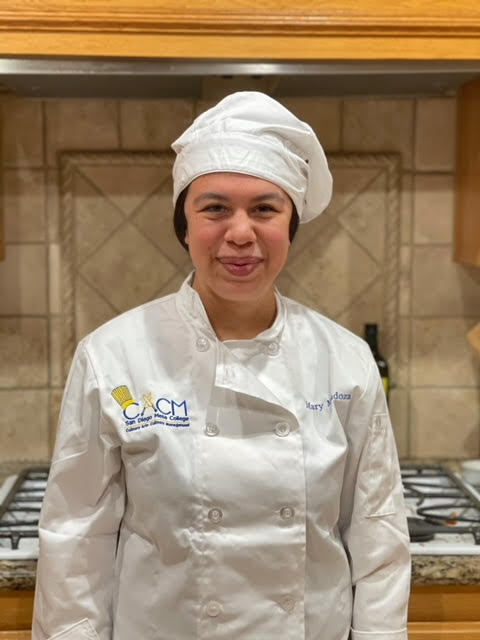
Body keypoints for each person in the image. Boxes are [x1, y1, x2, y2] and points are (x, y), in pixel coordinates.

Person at [32, 92, 410, 640]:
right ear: (184, 225)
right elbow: (76, 538)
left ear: (291, 225)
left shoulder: (344, 360)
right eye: (214, 208)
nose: (240, 233)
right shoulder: (112, 355)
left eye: (264, 208)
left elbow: (377, 535)